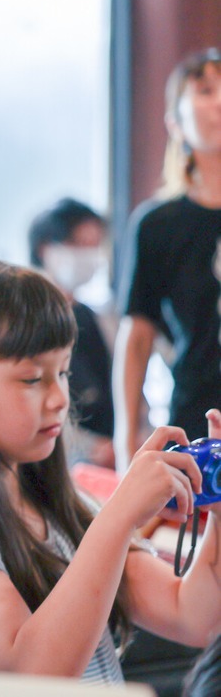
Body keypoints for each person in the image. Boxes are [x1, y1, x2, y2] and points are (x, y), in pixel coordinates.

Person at [0, 256, 221, 684]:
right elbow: (33, 674)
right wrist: (119, 517)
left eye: (63, 372)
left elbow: (192, 616)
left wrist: (215, 508)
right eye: (32, 379)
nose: (59, 399)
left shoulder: (59, 507)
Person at [116, 47, 221, 466]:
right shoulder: (157, 223)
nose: (219, 101)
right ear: (175, 123)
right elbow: (137, 337)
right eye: (206, 90)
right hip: (195, 427)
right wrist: (128, 441)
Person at [29, 198, 115, 468]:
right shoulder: (26, 320)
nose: (88, 256)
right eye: (78, 245)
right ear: (46, 249)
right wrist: (89, 446)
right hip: (57, 461)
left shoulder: (96, 317)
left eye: (94, 246)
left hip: (107, 458)